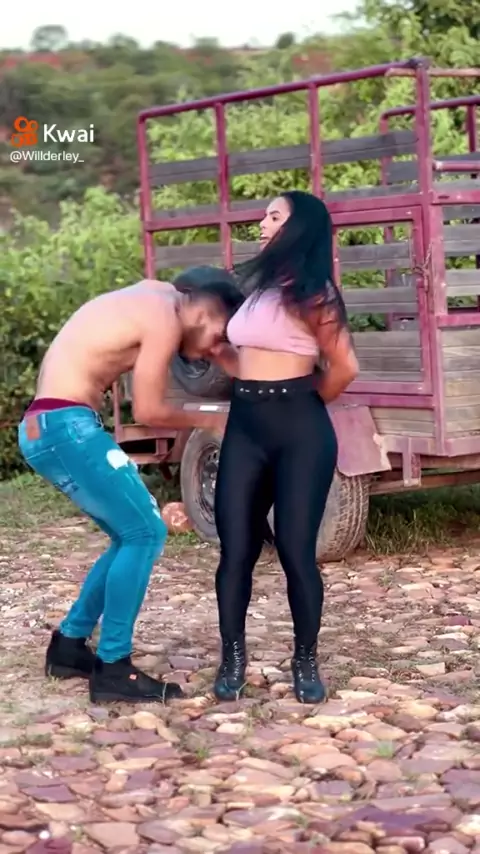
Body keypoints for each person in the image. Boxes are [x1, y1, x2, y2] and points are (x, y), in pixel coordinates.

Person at [18, 269, 243, 704]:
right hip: (67, 426)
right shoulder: (165, 316)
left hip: (44, 427)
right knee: (146, 532)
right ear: (204, 310)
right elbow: (149, 410)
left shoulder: (154, 297)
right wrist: (214, 418)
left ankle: (68, 647)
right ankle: (114, 668)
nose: (213, 351)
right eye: (219, 336)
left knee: (130, 535)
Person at [210, 191, 359, 704]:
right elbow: (246, 359)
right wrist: (220, 355)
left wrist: (302, 402)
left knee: (296, 551)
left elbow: (344, 368)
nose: (262, 222)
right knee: (236, 550)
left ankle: (305, 660)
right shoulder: (258, 290)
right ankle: (232, 657)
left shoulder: (315, 294)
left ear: (298, 228)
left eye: (274, 216)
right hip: (245, 427)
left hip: (300, 432)